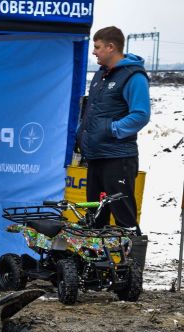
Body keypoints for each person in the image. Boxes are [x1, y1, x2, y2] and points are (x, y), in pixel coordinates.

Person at [78, 26, 150, 230]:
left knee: (124, 220)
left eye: (97, 47)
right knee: (95, 219)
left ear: (111, 47)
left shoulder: (133, 76)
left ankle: (132, 252)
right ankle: (96, 252)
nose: (94, 52)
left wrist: (111, 129)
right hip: (96, 156)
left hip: (118, 158)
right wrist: (82, 134)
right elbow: (94, 111)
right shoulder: (100, 75)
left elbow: (141, 115)